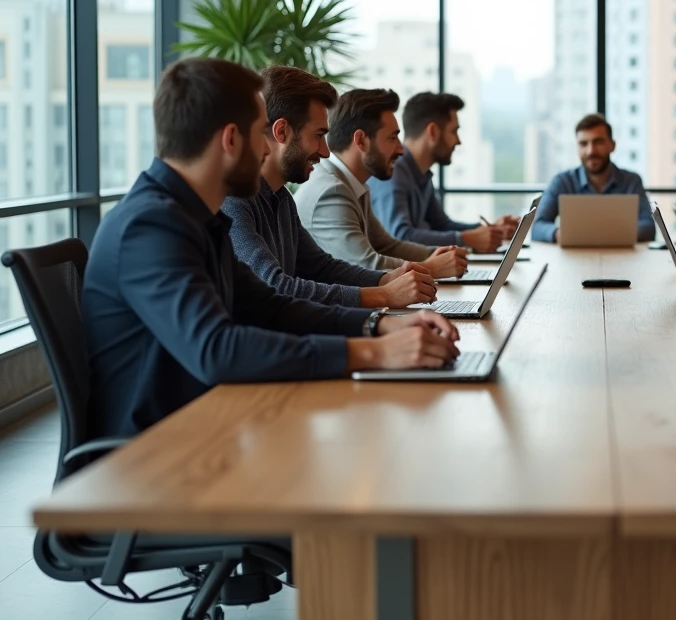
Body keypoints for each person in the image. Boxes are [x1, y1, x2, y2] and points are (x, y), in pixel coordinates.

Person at [83, 59, 460, 439]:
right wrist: (374, 354)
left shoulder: (194, 216)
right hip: (149, 457)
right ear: (230, 139)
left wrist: (379, 325)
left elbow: (269, 305)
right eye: (259, 135)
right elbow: (217, 349)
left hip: (203, 428)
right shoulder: (150, 226)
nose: (267, 150)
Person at [223, 66, 452, 309]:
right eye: (319, 135)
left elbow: (321, 267)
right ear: (282, 131)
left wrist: (387, 279)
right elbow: (276, 287)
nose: (325, 151)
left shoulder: (281, 197)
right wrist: (384, 294)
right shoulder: (234, 201)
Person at [294, 89, 468, 275]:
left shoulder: (353, 185)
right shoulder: (331, 191)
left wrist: (438, 254)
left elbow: (388, 246)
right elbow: (366, 265)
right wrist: (432, 267)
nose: (401, 149)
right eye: (392, 138)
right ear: (361, 140)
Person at [369, 92, 516, 252]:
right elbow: (400, 236)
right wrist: (466, 239)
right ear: (433, 131)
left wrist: (490, 230)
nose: (458, 141)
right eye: (454, 131)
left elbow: (442, 225)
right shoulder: (394, 171)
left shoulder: (421, 173)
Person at [531, 113, 655, 243]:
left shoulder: (631, 181)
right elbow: (537, 226)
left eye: (598, 142)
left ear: (612, 145)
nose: (591, 151)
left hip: (622, 257)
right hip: (574, 258)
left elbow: (649, 227)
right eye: (583, 144)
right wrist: (559, 234)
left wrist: (604, 235)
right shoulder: (562, 181)